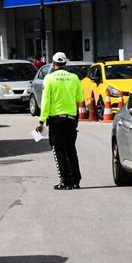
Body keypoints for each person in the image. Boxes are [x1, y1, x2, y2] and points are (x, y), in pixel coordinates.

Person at [35, 52, 85, 190]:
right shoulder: (74, 78)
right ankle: (76, 181)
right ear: (66, 63)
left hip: (56, 120)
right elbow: (80, 99)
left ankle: (65, 181)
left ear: (53, 63)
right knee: (71, 149)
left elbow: (45, 101)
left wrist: (41, 121)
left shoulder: (49, 78)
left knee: (59, 151)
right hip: (71, 119)